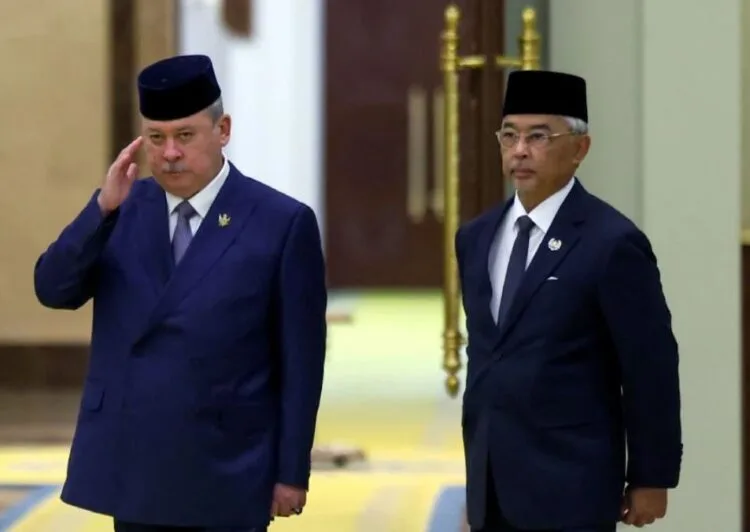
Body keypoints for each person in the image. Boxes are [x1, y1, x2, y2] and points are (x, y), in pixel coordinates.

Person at [33, 54, 327, 532]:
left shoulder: (280, 223)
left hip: (228, 464)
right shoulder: (122, 209)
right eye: (156, 138)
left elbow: (301, 362)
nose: (170, 152)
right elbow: (52, 288)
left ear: (222, 130)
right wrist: (101, 209)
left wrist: (291, 470)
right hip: (135, 462)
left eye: (185, 136)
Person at [455, 70, 682, 532]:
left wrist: (650, 476)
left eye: (538, 136)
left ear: (580, 148)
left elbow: (650, 368)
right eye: (509, 136)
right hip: (491, 481)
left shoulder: (611, 242)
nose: (520, 150)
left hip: (570, 482)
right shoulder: (476, 237)